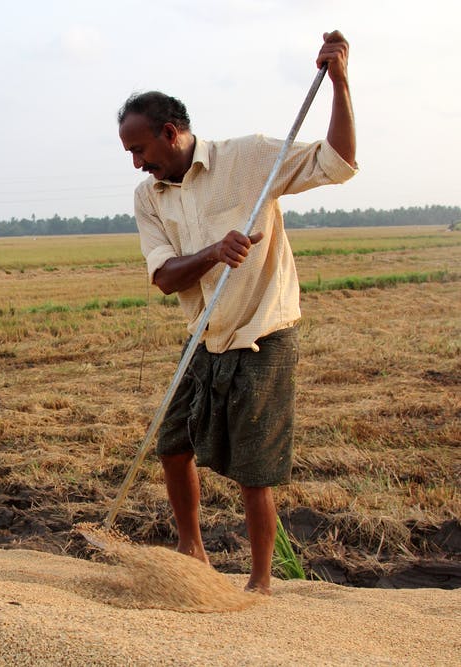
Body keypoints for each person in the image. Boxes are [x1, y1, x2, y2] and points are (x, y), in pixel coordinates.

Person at [117, 31, 356, 594]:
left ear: (171, 134)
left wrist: (340, 83)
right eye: (129, 153)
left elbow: (339, 162)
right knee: (172, 442)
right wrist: (212, 253)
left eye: (140, 150)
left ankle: (261, 582)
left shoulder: (248, 158)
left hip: (261, 329)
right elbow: (163, 276)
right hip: (204, 332)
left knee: (255, 467)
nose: (136, 163)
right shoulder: (149, 198)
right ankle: (191, 550)